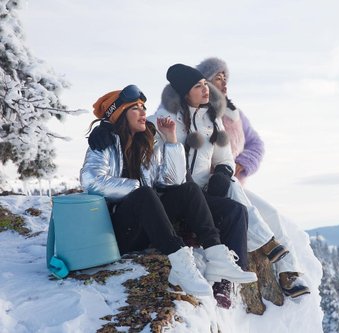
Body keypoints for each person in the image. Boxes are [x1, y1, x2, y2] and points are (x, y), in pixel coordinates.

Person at [80, 84, 257, 301]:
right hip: (121, 231)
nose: (144, 112)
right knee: (145, 193)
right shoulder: (105, 141)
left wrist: (171, 141)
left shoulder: (147, 142)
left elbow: (172, 181)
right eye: (135, 108)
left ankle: (217, 255)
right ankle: (181, 264)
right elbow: (91, 181)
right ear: (120, 114)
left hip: (148, 224)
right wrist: (136, 187)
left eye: (144, 107)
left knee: (188, 190)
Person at [149, 64, 294, 281]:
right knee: (235, 201)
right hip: (176, 196)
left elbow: (224, 157)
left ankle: (232, 278)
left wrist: (223, 174)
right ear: (184, 92)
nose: (206, 89)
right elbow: (151, 164)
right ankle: (266, 242)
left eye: (205, 84)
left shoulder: (212, 119)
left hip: (205, 192)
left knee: (236, 207)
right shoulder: (162, 122)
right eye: (198, 86)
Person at [196, 57, 310, 298]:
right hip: (208, 186)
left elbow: (256, 145)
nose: (224, 82)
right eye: (218, 77)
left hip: (234, 182)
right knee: (250, 212)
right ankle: (267, 244)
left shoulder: (234, 114)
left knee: (273, 215)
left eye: (225, 77)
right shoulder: (196, 112)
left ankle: (289, 274)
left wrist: (242, 163)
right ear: (204, 82)